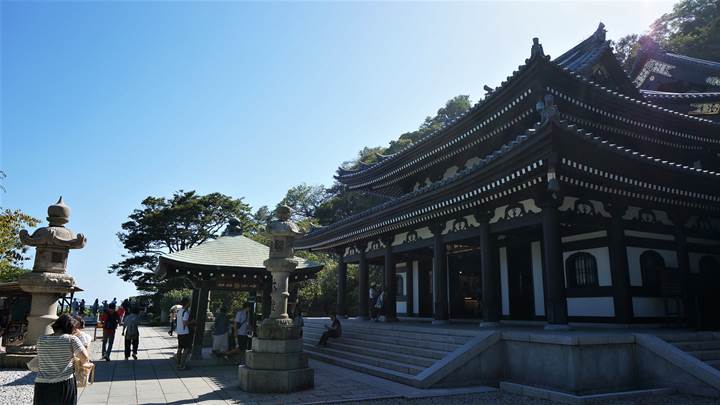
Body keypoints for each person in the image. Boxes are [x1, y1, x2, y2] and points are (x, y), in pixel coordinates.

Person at [33, 314, 89, 405]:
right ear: (70, 327)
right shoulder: (71, 339)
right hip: (64, 382)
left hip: (42, 383)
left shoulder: (41, 339)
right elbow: (85, 358)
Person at [175, 297, 194, 370]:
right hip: (185, 333)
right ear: (187, 303)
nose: (190, 304)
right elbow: (185, 323)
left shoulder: (179, 311)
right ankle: (182, 365)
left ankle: (178, 364)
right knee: (187, 349)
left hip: (179, 332)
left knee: (180, 348)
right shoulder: (185, 313)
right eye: (189, 302)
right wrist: (193, 322)